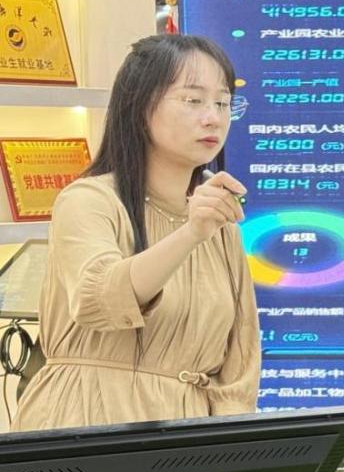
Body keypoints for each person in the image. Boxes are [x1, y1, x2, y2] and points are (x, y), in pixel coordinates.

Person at [12, 34, 260, 431]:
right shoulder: (89, 200)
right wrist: (190, 234)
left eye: (223, 103)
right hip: (88, 421)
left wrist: (231, 444)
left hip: (187, 435)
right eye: (193, 100)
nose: (213, 118)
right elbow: (98, 299)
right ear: (140, 106)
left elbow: (239, 363)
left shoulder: (217, 220)